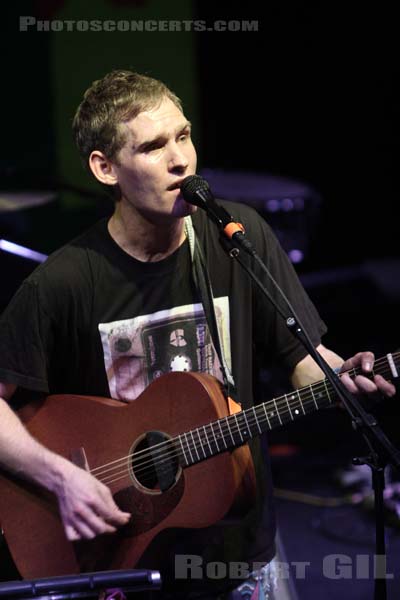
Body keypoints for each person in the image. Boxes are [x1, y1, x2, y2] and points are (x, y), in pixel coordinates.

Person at [0, 70, 396, 600]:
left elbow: (301, 358)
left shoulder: (238, 237)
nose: (180, 159)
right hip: (127, 561)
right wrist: (60, 478)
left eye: (183, 136)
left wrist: (337, 374)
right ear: (105, 167)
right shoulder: (63, 282)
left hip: (240, 553)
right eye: (153, 146)